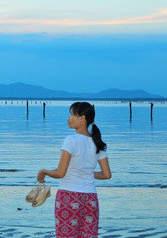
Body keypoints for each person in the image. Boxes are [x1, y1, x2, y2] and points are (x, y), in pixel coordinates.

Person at [37, 102, 112, 238]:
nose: (68, 118)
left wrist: (43, 171)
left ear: (82, 118)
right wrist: (86, 172)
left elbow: (60, 173)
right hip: (91, 198)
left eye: (72, 114)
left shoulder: (71, 140)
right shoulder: (98, 142)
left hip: (69, 197)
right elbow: (106, 175)